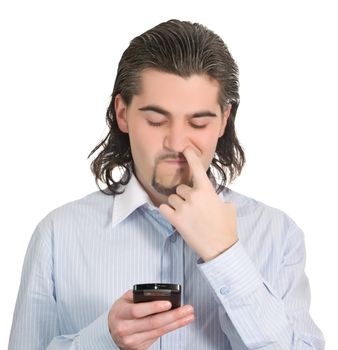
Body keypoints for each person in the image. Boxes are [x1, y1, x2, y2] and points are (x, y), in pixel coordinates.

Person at [9, 19, 325, 350]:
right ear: (122, 113)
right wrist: (104, 339)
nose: (176, 142)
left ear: (223, 121)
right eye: (156, 120)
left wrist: (225, 255)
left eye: (198, 122)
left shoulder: (277, 234)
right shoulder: (58, 236)